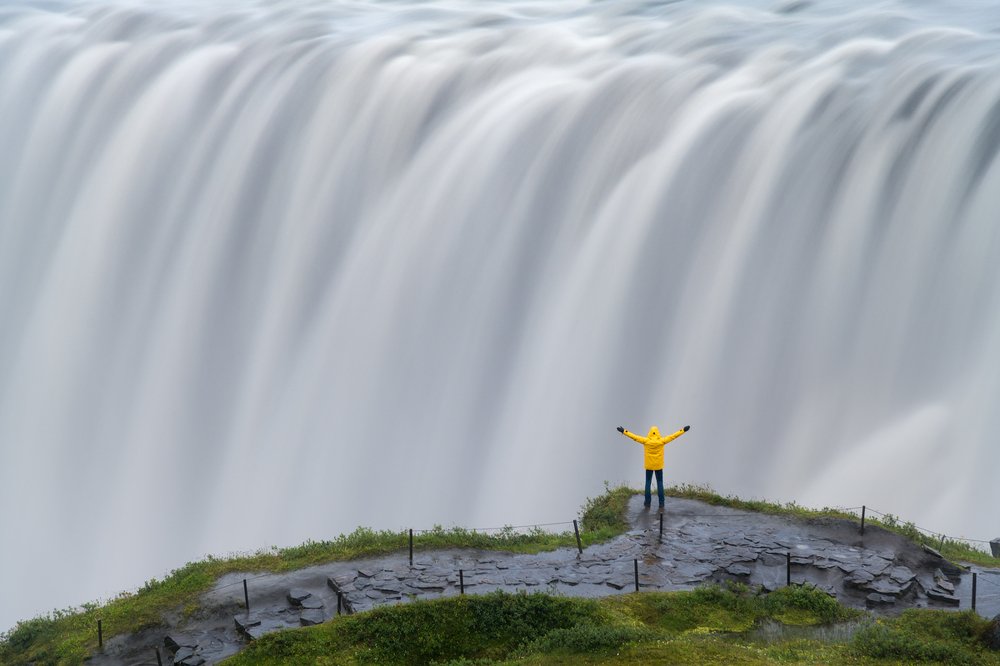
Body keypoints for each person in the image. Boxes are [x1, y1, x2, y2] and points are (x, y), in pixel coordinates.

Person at [616, 424, 690, 510]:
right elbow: (673, 436)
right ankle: (661, 503)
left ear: (650, 433)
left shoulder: (645, 441)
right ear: (658, 433)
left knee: (648, 483)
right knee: (660, 483)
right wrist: (683, 430)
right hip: (658, 466)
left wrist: (624, 431)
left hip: (649, 466)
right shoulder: (662, 441)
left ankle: (647, 503)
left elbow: (634, 437)